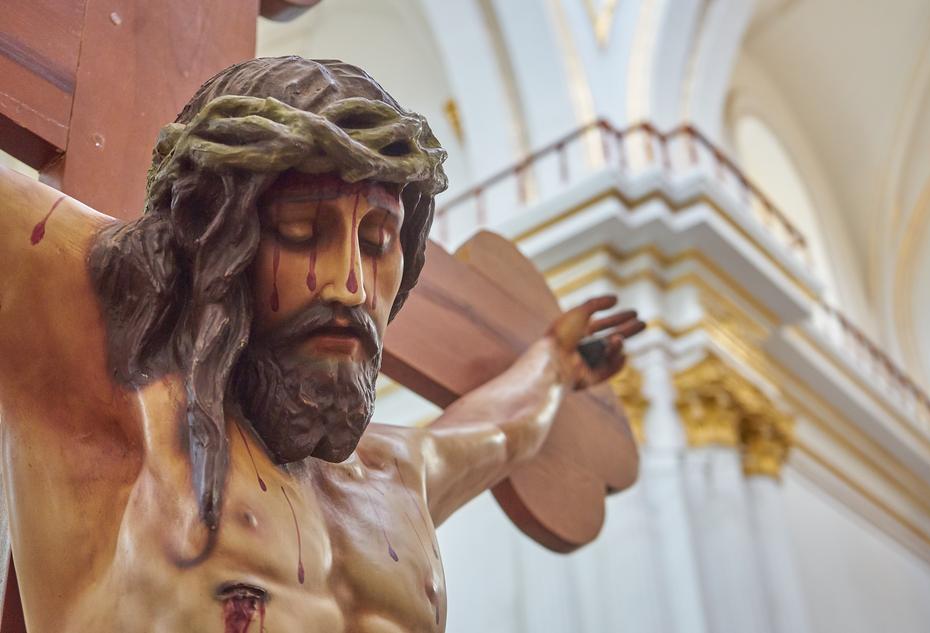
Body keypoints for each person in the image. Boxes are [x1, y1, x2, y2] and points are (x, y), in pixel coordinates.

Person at [0, 56, 642, 632]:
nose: (349, 284)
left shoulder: (398, 477)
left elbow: (502, 430)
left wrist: (555, 365)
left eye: (377, 242)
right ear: (215, 244)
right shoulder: (124, 417)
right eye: (302, 230)